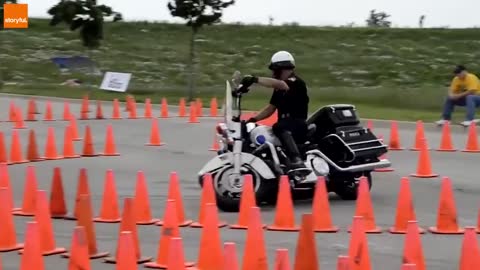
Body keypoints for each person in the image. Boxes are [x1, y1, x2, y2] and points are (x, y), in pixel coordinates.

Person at [238, 51, 311, 177]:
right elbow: (271, 108)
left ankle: (297, 160)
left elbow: (281, 84)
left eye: (275, 70)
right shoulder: (279, 89)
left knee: (279, 126)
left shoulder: (294, 82)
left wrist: (255, 79)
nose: (273, 74)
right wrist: (253, 119)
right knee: (265, 132)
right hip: (287, 125)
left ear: (282, 68)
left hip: (297, 124)